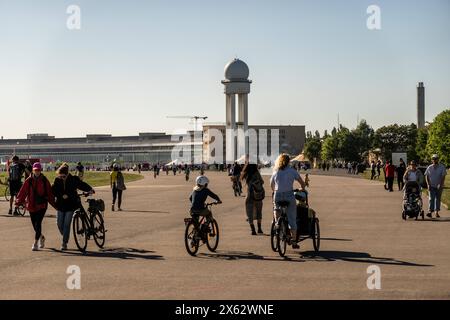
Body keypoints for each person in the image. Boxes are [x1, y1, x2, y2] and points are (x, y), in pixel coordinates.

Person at [51, 163, 94, 251]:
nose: (62, 178)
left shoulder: (73, 179)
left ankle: (64, 243)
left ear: (67, 174)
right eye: (60, 176)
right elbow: (53, 190)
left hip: (71, 204)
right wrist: (61, 195)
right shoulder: (57, 180)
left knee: (67, 224)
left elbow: (81, 185)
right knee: (59, 224)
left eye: (63, 176)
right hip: (60, 204)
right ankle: (65, 235)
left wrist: (90, 189)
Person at [15, 162, 56, 251]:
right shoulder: (28, 180)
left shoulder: (44, 180)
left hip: (42, 205)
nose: (37, 172)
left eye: (38, 170)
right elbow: (23, 191)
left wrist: (55, 204)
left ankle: (35, 243)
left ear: (41, 170)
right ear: (33, 170)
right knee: (34, 225)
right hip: (31, 205)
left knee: (38, 223)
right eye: (35, 170)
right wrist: (18, 201)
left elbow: (49, 193)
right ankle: (41, 237)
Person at [270, 154, 306, 249]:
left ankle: (277, 225)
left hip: (277, 195)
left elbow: (272, 185)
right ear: (289, 161)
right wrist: (302, 188)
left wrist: (275, 191)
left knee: (277, 210)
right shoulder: (292, 171)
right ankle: (294, 241)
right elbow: (301, 182)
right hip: (289, 195)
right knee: (292, 218)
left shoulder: (276, 171)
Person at [241, 163, 265, 235]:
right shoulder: (257, 172)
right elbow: (262, 182)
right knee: (259, 212)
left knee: (249, 214)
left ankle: (253, 230)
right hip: (258, 195)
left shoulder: (245, 174)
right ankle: (259, 229)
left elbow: (241, 180)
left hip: (249, 196)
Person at [424, 154, 447, 218]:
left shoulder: (442, 167)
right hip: (431, 185)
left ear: (438, 159)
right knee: (431, 199)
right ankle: (430, 212)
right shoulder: (429, 167)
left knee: (438, 199)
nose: (434, 160)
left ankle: (436, 212)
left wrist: (440, 184)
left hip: (439, 186)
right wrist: (428, 184)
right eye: (433, 159)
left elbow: (443, 176)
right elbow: (426, 176)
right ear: (432, 160)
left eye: (436, 158)